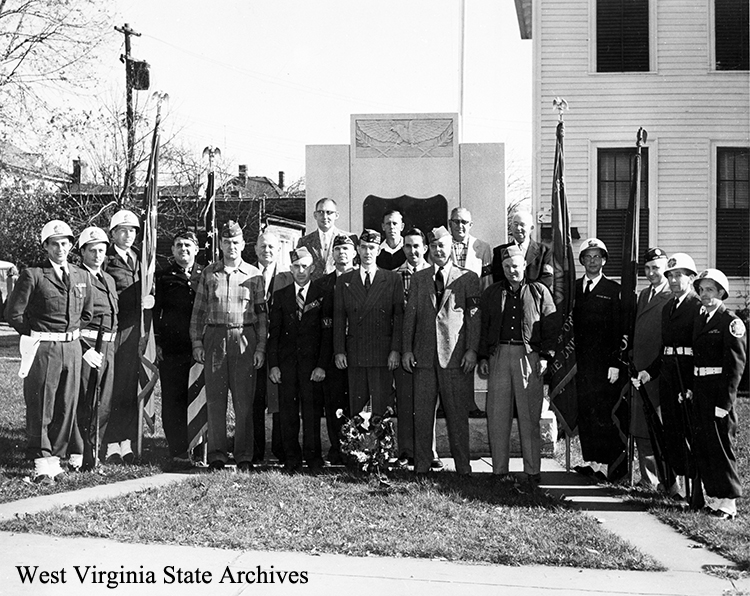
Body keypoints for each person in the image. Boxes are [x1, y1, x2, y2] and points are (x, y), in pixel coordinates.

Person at [5, 220, 93, 483]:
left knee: (67, 405)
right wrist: (38, 335)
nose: (60, 248)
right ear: (45, 246)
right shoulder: (34, 275)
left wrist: (70, 334)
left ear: (71, 245)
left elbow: (86, 313)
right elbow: (14, 313)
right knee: (42, 403)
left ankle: (55, 457)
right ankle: (41, 460)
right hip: (44, 348)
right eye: (54, 244)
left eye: (65, 243)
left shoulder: (80, 275)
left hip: (72, 348)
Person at [402, 226, 480, 476]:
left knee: (457, 415)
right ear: (429, 249)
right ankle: (422, 467)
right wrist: (406, 349)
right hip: (424, 357)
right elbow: (409, 317)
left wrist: (471, 350)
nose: (438, 250)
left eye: (442, 246)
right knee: (423, 415)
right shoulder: (419, 278)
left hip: (455, 358)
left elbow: (473, 318)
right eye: (433, 246)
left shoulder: (467, 278)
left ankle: (463, 469)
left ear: (451, 248)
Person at [189, 220, 267, 471]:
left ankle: (244, 455)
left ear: (243, 245)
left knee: (244, 401)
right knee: (215, 400)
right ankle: (217, 455)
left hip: (244, 339)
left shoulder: (255, 275)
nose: (231, 246)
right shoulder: (210, 273)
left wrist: (261, 347)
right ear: (220, 245)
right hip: (215, 339)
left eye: (236, 242)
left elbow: (262, 316)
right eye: (226, 242)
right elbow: (198, 312)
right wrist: (197, 342)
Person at [478, 245, 556, 487]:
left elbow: (551, 326)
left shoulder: (539, 291)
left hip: (528, 356)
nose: (513, 270)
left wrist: (545, 356)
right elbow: (483, 326)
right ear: (503, 268)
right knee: (498, 415)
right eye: (508, 267)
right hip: (499, 355)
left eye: (517, 266)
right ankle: (499, 471)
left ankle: (532, 471)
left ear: (525, 266)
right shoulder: (491, 293)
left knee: (529, 416)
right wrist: (483, 356)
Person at [643, 253, 702, 496]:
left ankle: (698, 489)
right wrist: (650, 371)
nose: (675, 280)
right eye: (671, 276)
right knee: (672, 432)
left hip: (687, 377)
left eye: (680, 275)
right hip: (668, 374)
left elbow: (700, 348)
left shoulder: (696, 306)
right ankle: (675, 484)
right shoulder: (668, 306)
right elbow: (665, 348)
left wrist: (691, 384)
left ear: (691, 279)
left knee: (692, 433)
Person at [689, 269, 746, 519]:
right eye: (701, 290)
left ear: (722, 292)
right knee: (706, 444)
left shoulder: (730, 322)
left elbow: (735, 366)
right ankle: (717, 497)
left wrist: (725, 402)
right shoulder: (701, 318)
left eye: (710, 290)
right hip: (701, 388)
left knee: (722, 445)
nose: (704, 295)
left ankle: (729, 501)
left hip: (718, 392)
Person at [268, 247, 329, 474]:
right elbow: (274, 334)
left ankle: (313, 459)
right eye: (296, 266)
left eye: (305, 266)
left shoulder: (322, 294)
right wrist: (274, 365)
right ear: (290, 269)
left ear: (312, 268)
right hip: (287, 367)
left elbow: (326, 335)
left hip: (312, 367)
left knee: (312, 413)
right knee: (288, 413)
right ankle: (291, 458)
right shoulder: (281, 295)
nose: (300, 271)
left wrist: (322, 365)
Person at [572, 238, 627, 482]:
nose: (593, 261)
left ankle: (607, 465)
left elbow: (619, 330)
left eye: (597, 257)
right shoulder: (573, 288)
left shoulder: (613, 290)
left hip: (605, 366)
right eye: (588, 257)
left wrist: (615, 362)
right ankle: (592, 462)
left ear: (604, 260)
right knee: (586, 412)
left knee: (603, 413)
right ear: (582, 260)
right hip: (580, 364)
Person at [334, 229, 404, 416]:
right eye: (363, 247)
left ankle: (381, 446)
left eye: (372, 248)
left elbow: (398, 317)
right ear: (357, 249)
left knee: (381, 407)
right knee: (357, 408)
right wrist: (339, 350)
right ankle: (358, 446)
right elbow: (339, 318)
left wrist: (395, 350)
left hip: (382, 352)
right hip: (356, 351)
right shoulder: (345, 280)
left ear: (379, 250)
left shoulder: (392, 279)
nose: (367, 253)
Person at [70, 227, 119, 471]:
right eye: (92, 250)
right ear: (82, 252)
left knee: (104, 402)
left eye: (102, 250)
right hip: (88, 346)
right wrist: (82, 348)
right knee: (84, 400)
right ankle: (78, 452)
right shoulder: (77, 277)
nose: (98, 254)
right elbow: (70, 318)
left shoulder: (108, 279)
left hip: (109, 346)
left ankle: (94, 450)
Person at [153, 230, 203, 468]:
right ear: (172, 250)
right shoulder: (162, 278)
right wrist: (157, 342)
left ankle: (200, 449)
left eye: (188, 245)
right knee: (174, 400)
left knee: (199, 398)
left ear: (196, 249)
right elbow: (154, 314)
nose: (183, 249)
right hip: (173, 348)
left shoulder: (207, 275)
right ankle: (178, 450)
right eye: (179, 245)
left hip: (201, 348)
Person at [394, 228, 440, 469]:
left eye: (417, 246)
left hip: (428, 346)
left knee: (426, 402)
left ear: (425, 248)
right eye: (408, 247)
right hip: (404, 345)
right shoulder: (394, 276)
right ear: (403, 249)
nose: (412, 251)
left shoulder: (434, 275)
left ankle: (429, 450)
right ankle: (405, 450)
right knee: (405, 399)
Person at [103, 209, 146, 464]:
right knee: (113, 387)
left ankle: (126, 441)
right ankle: (110, 443)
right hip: (115, 330)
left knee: (131, 387)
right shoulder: (107, 261)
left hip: (136, 331)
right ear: (113, 234)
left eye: (132, 231)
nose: (128, 235)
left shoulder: (140, 259)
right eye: (123, 230)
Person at [628, 247, 671, 490]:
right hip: (640, 370)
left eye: (656, 267)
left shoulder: (670, 296)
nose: (652, 272)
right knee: (642, 426)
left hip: (658, 371)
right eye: (647, 268)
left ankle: (665, 480)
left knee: (659, 426)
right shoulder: (644, 294)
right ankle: (648, 480)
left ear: (665, 268)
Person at [251, 230, 292, 464]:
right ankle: (256, 450)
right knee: (256, 399)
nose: (267, 251)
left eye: (271, 247)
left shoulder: (287, 277)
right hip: (254, 344)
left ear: (278, 250)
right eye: (263, 246)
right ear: (255, 249)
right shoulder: (247, 274)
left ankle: (279, 448)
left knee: (279, 399)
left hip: (279, 346)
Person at [317, 233, 357, 465]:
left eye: (346, 249)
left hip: (358, 351)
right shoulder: (323, 283)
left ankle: (356, 448)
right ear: (332, 254)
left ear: (354, 253)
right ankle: (337, 447)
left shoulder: (362, 279)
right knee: (333, 402)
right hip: (332, 352)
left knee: (356, 402)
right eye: (338, 249)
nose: (342, 253)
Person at [448, 206, 491, 418]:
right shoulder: (441, 245)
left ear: (470, 225)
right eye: (456, 221)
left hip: (473, 310)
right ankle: (445, 403)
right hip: (448, 310)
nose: (460, 226)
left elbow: (487, 282)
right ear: (450, 224)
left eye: (464, 222)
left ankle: (469, 402)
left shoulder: (482, 248)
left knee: (469, 354)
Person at [491, 209, 553, 289]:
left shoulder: (544, 251)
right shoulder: (500, 251)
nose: (518, 228)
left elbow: (547, 278)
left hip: (535, 297)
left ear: (531, 228)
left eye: (522, 225)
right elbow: (498, 278)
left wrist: (527, 292)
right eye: (515, 224)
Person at [297, 198, 351, 280]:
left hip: (341, 287)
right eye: (321, 212)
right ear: (315, 215)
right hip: (315, 289)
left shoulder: (349, 238)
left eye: (329, 212)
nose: (325, 217)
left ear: (336, 215)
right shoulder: (304, 241)